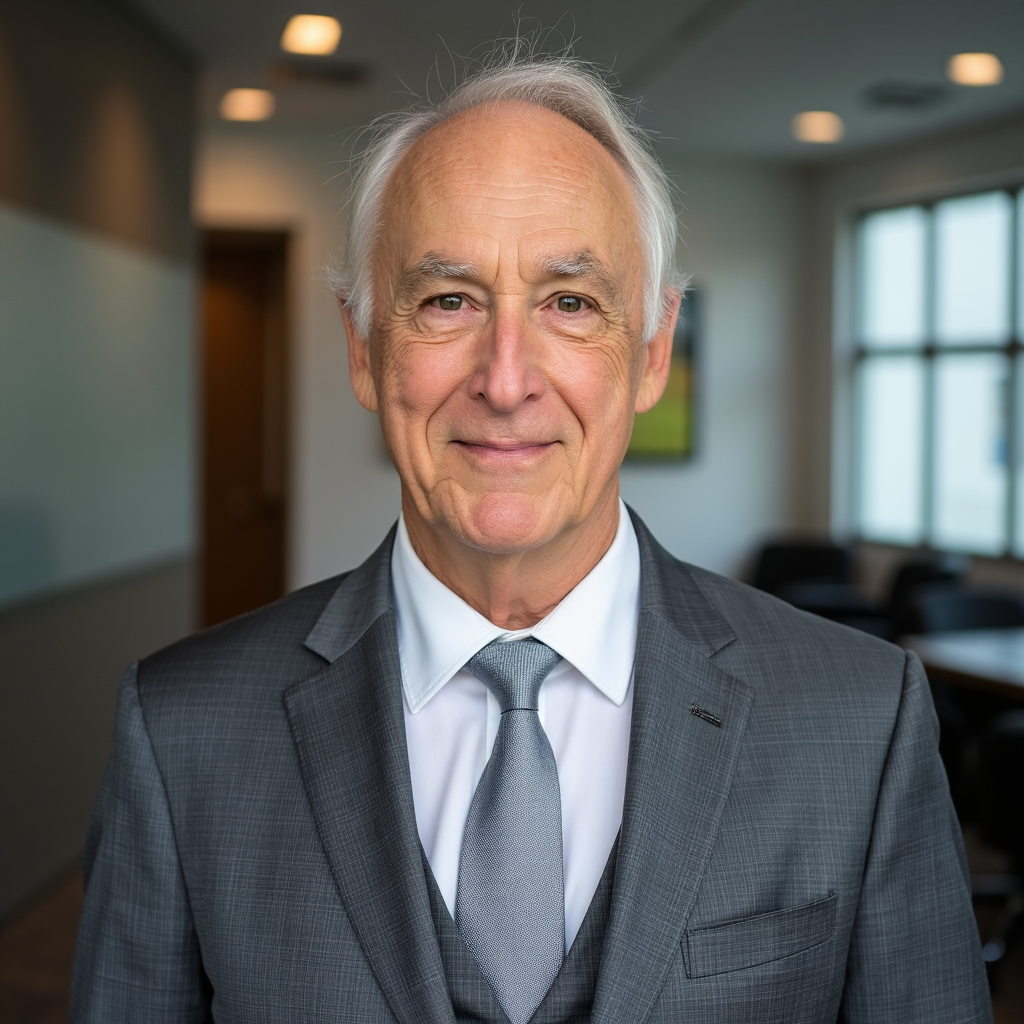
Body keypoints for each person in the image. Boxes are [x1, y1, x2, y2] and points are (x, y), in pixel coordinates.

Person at [70, 51, 991, 1024]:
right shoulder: (180, 734)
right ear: (360, 344)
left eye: (569, 302)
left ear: (650, 352)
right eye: (447, 300)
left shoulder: (860, 721)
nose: (506, 380)